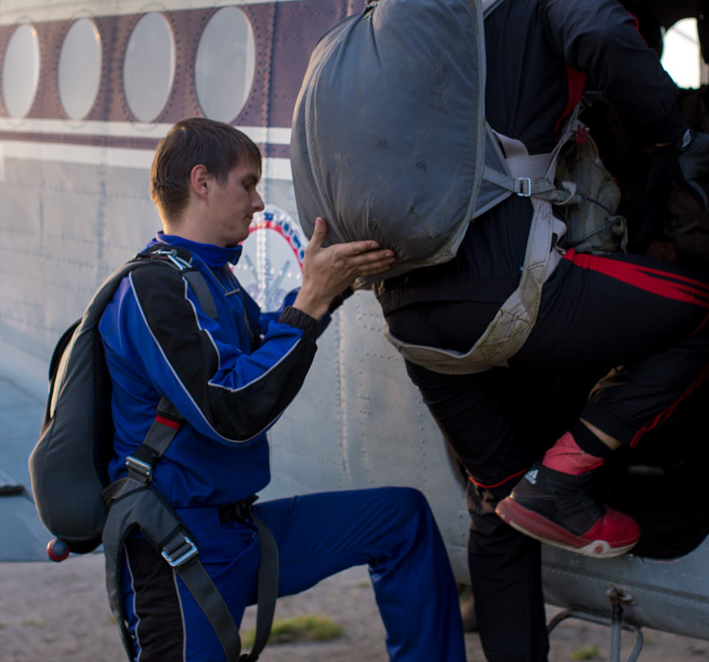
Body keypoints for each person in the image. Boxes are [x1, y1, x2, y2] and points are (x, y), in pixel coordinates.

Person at [376, 0, 709, 661]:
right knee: (706, 314)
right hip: (503, 297)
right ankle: (563, 477)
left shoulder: (441, 29)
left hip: (410, 319)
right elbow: (599, 33)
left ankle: (536, 501)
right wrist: (675, 138)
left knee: (496, 504)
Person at [100, 118, 466, 661]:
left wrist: (331, 287)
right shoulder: (152, 287)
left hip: (239, 529)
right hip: (178, 545)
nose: (256, 202)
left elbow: (270, 338)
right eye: (247, 184)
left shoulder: (210, 277)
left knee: (401, 521)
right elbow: (230, 411)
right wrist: (311, 304)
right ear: (202, 182)